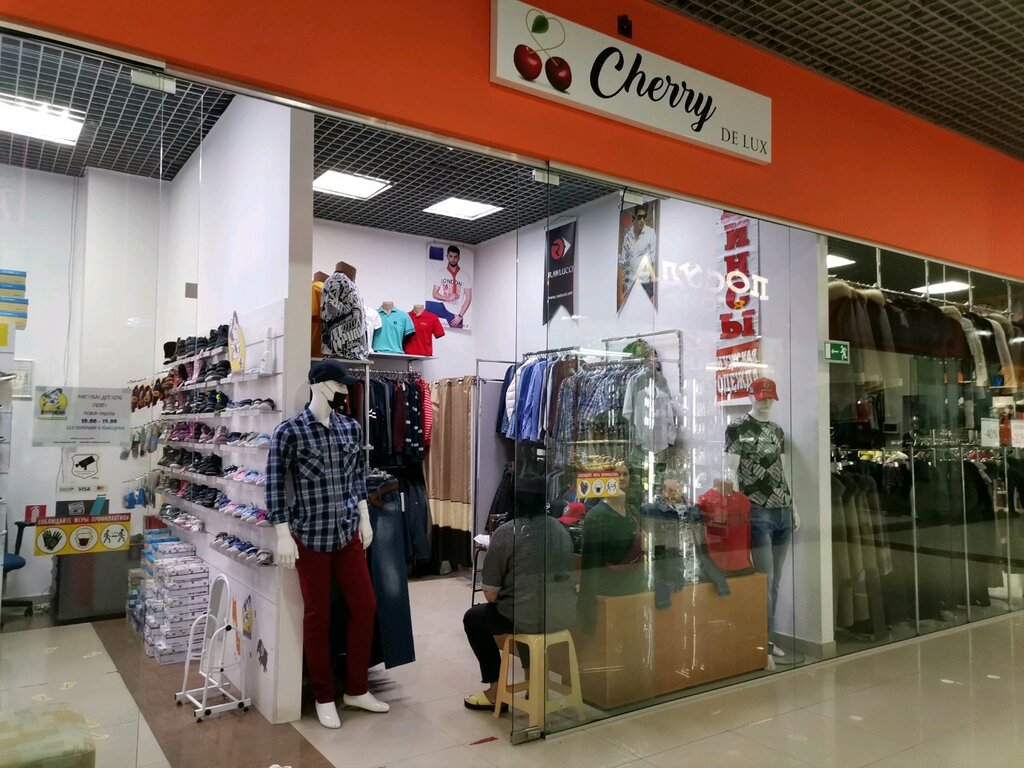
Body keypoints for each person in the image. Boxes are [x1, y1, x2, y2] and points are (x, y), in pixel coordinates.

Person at [267, 359, 390, 728]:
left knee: (365, 606)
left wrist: (364, 518)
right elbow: (274, 486)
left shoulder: (351, 428)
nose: (345, 391)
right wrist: (281, 534)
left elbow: (357, 478)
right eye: (340, 385)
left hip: (348, 532)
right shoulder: (288, 432)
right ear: (320, 385)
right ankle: (323, 695)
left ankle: (356, 688)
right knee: (317, 616)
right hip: (310, 536)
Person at [462, 477, 576, 711]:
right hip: (563, 613)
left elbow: (490, 594)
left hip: (527, 615)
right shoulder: (560, 529)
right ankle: (534, 684)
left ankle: (495, 691)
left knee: (474, 619)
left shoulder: (507, 532)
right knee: (525, 610)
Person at [724, 376, 800, 657]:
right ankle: (762, 643)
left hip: (783, 510)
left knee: (775, 580)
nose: (766, 402)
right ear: (751, 396)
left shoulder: (777, 431)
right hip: (758, 511)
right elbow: (731, 470)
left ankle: (768, 639)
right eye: (761, 396)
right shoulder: (737, 428)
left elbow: (782, 471)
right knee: (764, 580)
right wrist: (736, 508)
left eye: (770, 397)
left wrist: (794, 507)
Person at [617, 204, 657, 308]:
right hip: (630, 286)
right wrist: (620, 294)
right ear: (634, 217)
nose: (642, 220)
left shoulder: (650, 233)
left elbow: (654, 263)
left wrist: (656, 292)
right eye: (639, 217)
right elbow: (621, 264)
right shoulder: (627, 235)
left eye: (644, 217)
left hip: (645, 285)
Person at [426, 245, 473, 328]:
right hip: (443, 307)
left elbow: (468, 298)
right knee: (424, 305)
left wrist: (460, 316)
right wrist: (447, 298)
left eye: (455, 257)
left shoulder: (465, 275)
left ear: (458, 258)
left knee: (458, 334)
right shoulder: (441, 273)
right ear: (447, 256)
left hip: (456, 313)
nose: (453, 259)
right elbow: (434, 294)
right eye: (450, 256)